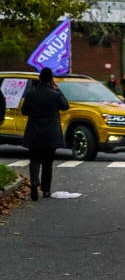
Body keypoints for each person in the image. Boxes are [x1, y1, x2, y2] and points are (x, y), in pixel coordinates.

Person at [20, 67, 69, 200]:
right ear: (51, 79)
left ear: (39, 78)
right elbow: (65, 106)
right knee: (48, 162)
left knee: (34, 160)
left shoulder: (31, 94)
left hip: (34, 132)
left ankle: (34, 182)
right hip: (50, 134)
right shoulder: (55, 94)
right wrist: (57, 89)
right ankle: (46, 190)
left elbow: (24, 111)